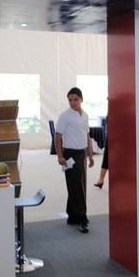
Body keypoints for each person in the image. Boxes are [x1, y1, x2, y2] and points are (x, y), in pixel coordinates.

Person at [55, 87, 95, 233]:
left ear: (81, 99)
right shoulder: (65, 116)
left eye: (75, 99)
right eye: (70, 100)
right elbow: (58, 136)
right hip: (70, 154)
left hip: (82, 154)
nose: (73, 102)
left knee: (78, 184)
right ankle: (82, 218)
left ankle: (72, 215)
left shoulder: (85, 115)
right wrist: (60, 156)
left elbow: (87, 136)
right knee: (77, 186)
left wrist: (90, 155)